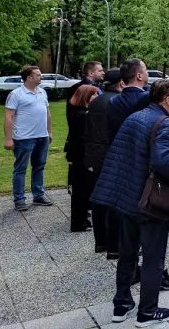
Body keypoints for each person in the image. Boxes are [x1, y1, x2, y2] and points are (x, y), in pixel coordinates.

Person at [91, 80, 169, 327]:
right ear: (167, 99)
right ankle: (147, 312)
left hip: (126, 197)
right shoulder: (164, 122)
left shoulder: (135, 117)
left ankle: (121, 305)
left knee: (128, 253)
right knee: (154, 257)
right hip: (149, 201)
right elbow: (162, 161)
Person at [4, 65, 54, 211]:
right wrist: (8, 138)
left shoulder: (42, 92)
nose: (41, 76)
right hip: (24, 138)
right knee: (20, 169)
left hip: (42, 136)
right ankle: (19, 200)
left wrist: (49, 132)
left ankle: (38, 195)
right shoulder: (16, 94)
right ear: (29, 78)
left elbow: (47, 113)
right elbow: (8, 117)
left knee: (39, 166)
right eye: (38, 75)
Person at [85, 68, 123, 257]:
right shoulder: (117, 102)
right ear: (121, 83)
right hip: (111, 155)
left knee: (99, 199)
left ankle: (100, 241)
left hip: (95, 155)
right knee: (114, 202)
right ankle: (114, 246)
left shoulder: (96, 101)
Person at [67, 84, 100, 232]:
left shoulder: (78, 113)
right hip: (81, 156)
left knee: (80, 190)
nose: (97, 97)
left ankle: (81, 220)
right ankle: (79, 222)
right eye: (94, 95)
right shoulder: (83, 116)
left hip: (77, 155)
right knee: (81, 190)